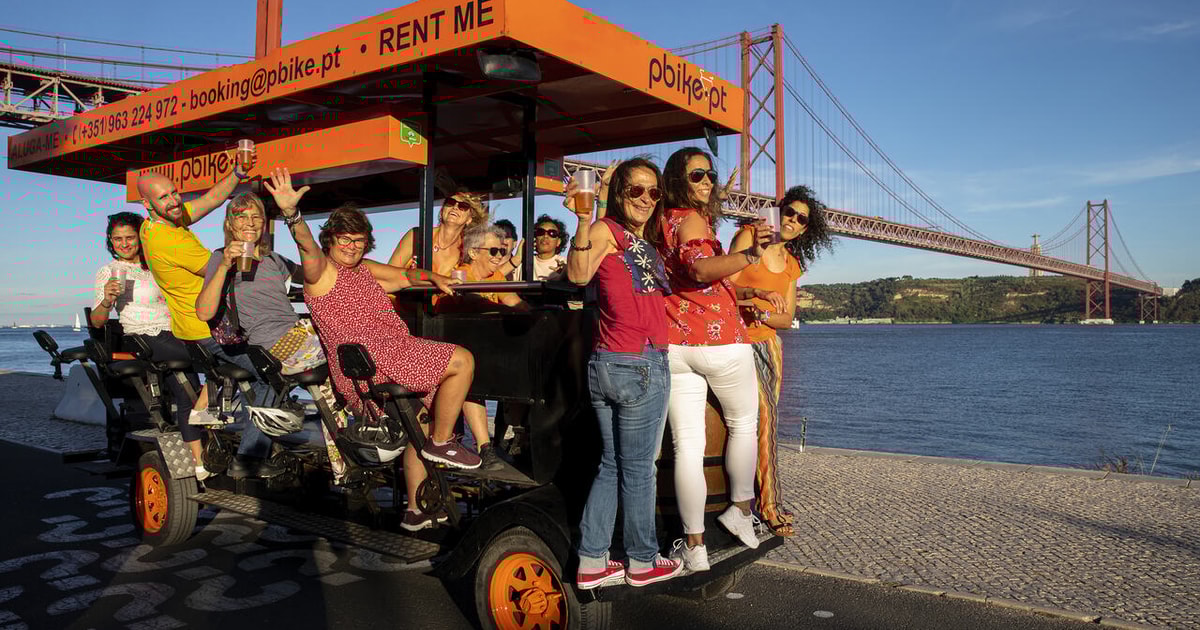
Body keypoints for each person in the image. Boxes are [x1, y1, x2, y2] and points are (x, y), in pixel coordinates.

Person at [265, 167, 483, 531]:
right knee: (462, 360)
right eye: (343, 239)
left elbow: (403, 277)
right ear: (330, 240)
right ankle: (444, 444)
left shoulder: (363, 268)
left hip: (395, 353)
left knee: (421, 426)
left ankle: (416, 509)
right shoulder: (321, 271)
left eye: (358, 240)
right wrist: (292, 214)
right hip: (370, 365)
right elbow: (306, 245)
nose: (351, 246)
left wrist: (433, 277)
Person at [563, 157, 683, 588]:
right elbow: (578, 274)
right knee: (638, 469)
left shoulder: (637, 241)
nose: (647, 199)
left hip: (613, 362)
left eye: (655, 192)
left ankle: (592, 561)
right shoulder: (605, 230)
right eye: (636, 190)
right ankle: (642, 559)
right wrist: (583, 216)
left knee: (612, 465)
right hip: (637, 362)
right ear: (619, 195)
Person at [657, 147, 773, 572]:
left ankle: (695, 548)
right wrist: (750, 256)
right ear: (678, 182)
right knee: (745, 424)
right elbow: (703, 271)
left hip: (674, 345)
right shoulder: (690, 219)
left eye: (710, 175)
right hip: (720, 341)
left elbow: (691, 284)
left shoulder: (658, 222)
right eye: (696, 176)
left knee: (687, 445)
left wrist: (746, 292)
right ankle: (740, 512)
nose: (706, 183)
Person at [136, 149, 283, 480]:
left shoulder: (160, 221)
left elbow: (208, 202)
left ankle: (228, 409)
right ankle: (249, 457)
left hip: (202, 326)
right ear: (148, 204)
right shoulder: (167, 241)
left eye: (175, 192)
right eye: (165, 197)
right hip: (208, 331)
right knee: (271, 371)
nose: (175, 201)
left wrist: (237, 174)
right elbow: (221, 269)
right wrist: (272, 265)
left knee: (278, 350)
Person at [194, 192, 349, 480]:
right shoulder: (219, 258)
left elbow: (318, 274)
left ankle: (351, 451)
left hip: (295, 334)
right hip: (269, 346)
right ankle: (344, 459)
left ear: (264, 223)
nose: (250, 223)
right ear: (230, 224)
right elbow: (203, 312)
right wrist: (226, 266)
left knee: (353, 346)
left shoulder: (274, 260)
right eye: (241, 217)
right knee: (341, 360)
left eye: (257, 217)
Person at [729, 185, 834, 537]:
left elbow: (786, 319)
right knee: (762, 418)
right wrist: (757, 306)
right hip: (736, 342)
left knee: (766, 420)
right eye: (788, 212)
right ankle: (767, 504)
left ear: (805, 229)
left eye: (801, 218)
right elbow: (724, 290)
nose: (792, 220)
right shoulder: (746, 238)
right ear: (778, 211)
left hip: (769, 345)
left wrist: (760, 315)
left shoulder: (791, 264)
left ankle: (759, 502)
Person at [91, 212, 211, 478]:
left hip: (175, 331)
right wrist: (108, 300)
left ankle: (200, 462)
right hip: (144, 335)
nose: (124, 244)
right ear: (110, 241)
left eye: (130, 237)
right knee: (213, 360)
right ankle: (206, 408)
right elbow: (98, 322)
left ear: (140, 239)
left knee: (187, 392)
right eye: (118, 239)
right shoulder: (109, 272)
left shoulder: (154, 264)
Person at [435, 224, 529, 471]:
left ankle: (520, 433)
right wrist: (508, 311)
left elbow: (514, 302)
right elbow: (472, 302)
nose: (499, 256)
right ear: (474, 253)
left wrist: (536, 314)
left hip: (483, 349)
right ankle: (485, 447)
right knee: (473, 379)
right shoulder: (461, 274)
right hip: (452, 349)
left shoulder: (496, 278)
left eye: (502, 251)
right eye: (494, 251)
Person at [388, 189, 488, 276]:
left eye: (463, 206)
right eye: (450, 202)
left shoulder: (466, 249)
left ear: (469, 219)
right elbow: (389, 273)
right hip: (408, 297)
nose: (455, 207)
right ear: (442, 211)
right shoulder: (417, 236)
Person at [528, 215, 568, 281]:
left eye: (552, 233)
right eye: (541, 232)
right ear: (535, 237)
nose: (545, 236)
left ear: (558, 241)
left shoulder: (565, 264)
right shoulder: (522, 263)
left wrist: (566, 274)